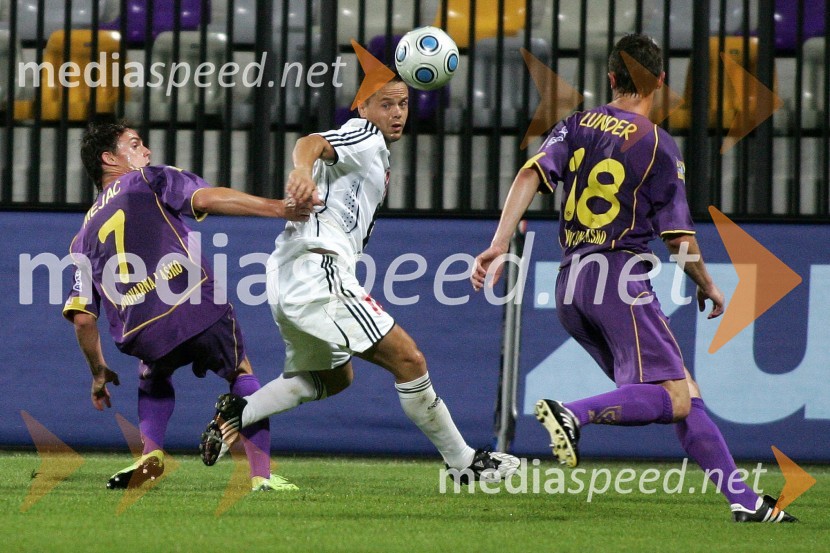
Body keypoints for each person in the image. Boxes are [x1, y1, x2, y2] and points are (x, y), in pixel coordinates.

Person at [472, 34, 796, 522]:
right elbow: (677, 238)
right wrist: (707, 284)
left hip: (570, 284)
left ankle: (745, 501)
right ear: (660, 80)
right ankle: (573, 413)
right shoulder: (658, 145)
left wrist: (499, 244)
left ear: (611, 78)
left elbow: (528, 175)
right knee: (675, 396)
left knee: (682, 393)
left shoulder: (575, 124)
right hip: (617, 279)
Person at [199, 75, 520, 483]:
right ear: (363, 107)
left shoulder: (376, 150)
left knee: (334, 377)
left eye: (403, 104)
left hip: (290, 272)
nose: (397, 113)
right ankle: (464, 463)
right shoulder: (364, 134)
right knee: (409, 359)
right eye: (386, 104)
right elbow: (312, 142)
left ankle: (239, 412)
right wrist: (302, 170)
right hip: (317, 271)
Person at [63, 121, 310, 491]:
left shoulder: (80, 239)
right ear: (109, 158)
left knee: (153, 376)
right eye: (135, 144)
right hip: (195, 304)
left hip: (141, 329)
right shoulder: (148, 178)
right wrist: (277, 208)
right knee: (240, 372)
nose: (146, 151)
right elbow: (206, 199)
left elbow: (83, 320)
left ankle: (151, 454)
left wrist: (98, 372)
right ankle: (261, 475)